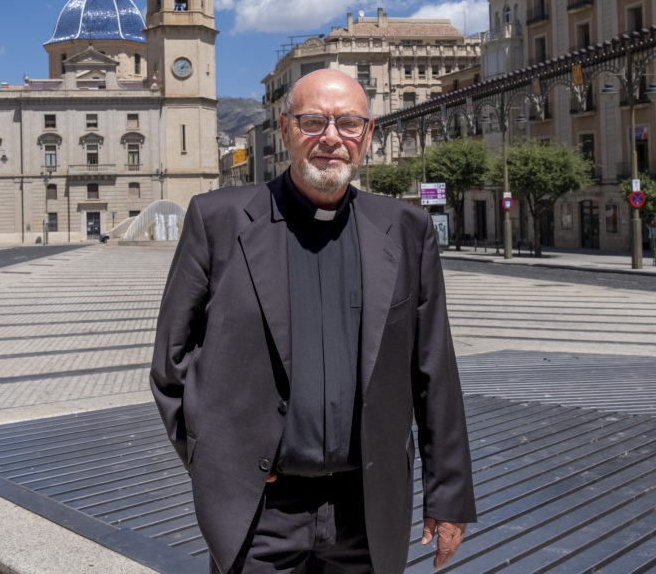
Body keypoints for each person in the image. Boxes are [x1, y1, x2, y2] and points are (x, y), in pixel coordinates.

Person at [151, 69, 476, 574]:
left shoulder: (406, 230)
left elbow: (434, 371)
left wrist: (449, 495)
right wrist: (215, 459)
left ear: (367, 135)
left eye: (348, 123)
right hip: (260, 513)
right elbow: (171, 362)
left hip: (365, 512)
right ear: (285, 131)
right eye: (312, 122)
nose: (331, 138)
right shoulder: (218, 221)